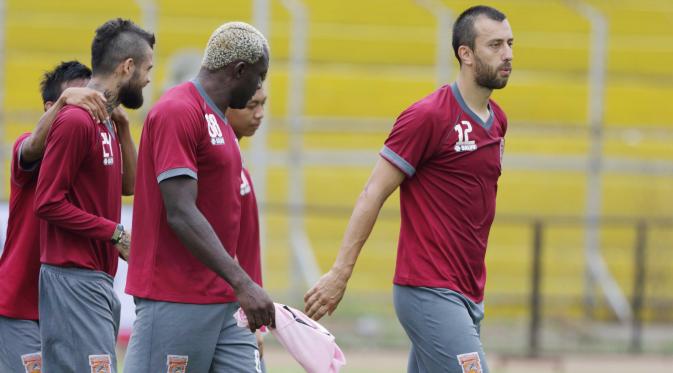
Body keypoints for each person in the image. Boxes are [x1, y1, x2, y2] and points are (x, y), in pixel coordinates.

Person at [304, 5, 513, 373]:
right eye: (495, 45)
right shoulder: (428, 116)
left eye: (510, 43)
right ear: (465, 53)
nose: (508, 54)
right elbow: (373, 192)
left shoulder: (499, 122)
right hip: (428, 289)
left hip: (468, 292)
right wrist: (340, 273)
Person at [124, 22, 273, 373]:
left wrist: (239, 285)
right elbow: (180, 212)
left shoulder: (220, 121)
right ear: (239, 70)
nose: (259, 86)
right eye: (259, 75)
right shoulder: (177, 110)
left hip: (225, 301)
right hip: (176, 296)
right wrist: (244, 282)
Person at [34, 18, 154, 373]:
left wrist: (124, 128)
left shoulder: (104, 120)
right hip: (73, 278)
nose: (148, 79)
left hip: (96, 278)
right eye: (147, 69)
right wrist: (114, 232)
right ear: (127, 67)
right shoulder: (76, 120)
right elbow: (47, 201)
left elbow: (128, 186)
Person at [0, 61, 110, 372]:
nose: (87, 106)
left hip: (68, 307)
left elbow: (129, 185)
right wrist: (66, 103)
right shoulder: (28, 147)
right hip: (21, 307)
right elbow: (33, 145)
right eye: (79, 98)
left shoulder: (89, 155)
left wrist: (123, 125)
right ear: (50, 106)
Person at [226, 87, 268, 371]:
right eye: (251, 105)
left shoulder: (238, 163)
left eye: (262, 104)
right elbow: (220, 243)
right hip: (233, 312)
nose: (260, 114)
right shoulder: (219, 166)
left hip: (245, 309)